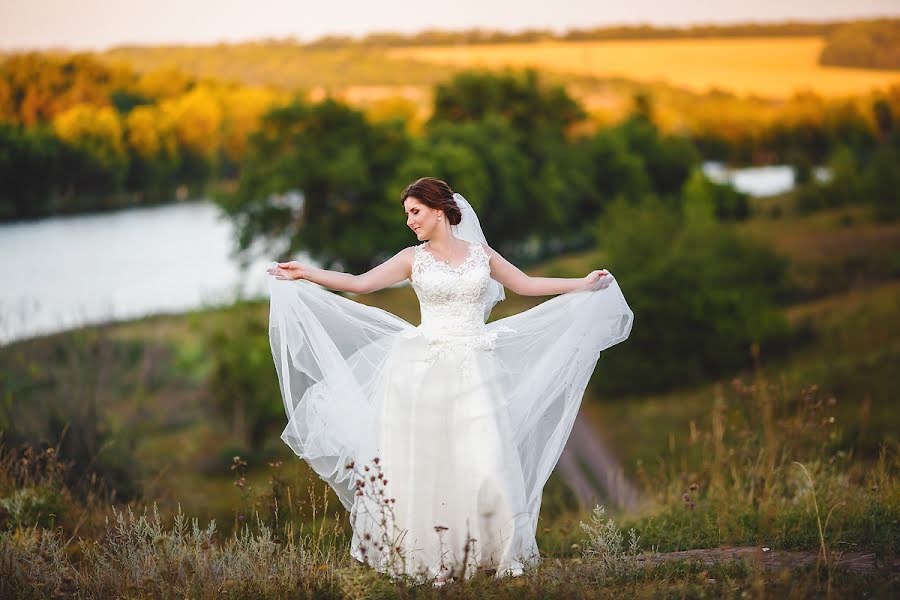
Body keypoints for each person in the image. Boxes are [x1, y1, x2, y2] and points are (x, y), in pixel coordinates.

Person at [265, 177, 633, 586]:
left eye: (415, 212)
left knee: (486, 454)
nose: (409, 221)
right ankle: (433, 557)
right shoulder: (412, 258)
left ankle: (493, 551)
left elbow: (526, 285)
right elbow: (359, 283)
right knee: (432, 461)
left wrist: (581, 284)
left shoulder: (482, 255)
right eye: (407, 214)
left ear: (439, 210)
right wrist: (305, 273)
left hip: (476, 366)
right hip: (425, 371)